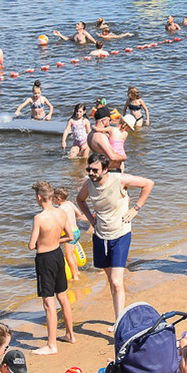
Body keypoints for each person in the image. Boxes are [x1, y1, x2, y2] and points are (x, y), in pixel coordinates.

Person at [76, 151, 153, 327]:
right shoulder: (89, 184)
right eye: (89, 169)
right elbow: (80, 200)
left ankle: (119, 323)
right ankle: (119, 316)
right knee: (112, 281)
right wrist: (89, 218)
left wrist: (135, 208)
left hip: (121, 234)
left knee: (117, 282)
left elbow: (148, 184)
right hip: (100, 236)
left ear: (105, 169)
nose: (91, 173)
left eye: (95, 170)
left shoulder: (119, 180)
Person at [28, 181, 74, 355]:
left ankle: (51, 345)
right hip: (58, 255)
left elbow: (32, 245)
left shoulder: (39, 218)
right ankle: (70, 334)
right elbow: (70, 236)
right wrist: (56, 240)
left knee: (49, 303)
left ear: (39, 198)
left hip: (45, 259)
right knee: (62, 296)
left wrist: (41, 241)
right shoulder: (61, 213)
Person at [53, 186, 82, 280]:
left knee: (68, 255)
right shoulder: (70, 203)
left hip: (70, 234)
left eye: (53, 198)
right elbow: (79, 214)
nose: (53, 200)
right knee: (72, 253)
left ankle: (75, 276)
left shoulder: (60, 209)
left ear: (58, 198)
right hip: (77, 231)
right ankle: (77, 271)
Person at [86, 107, 123, 171]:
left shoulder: (90, 134)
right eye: (109, 120)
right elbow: (113, 157)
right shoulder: (101, 137)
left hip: (99, 168)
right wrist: (124, 157)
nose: (110, 122)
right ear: (104, 121)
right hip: (109, 171)